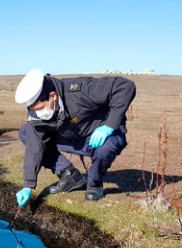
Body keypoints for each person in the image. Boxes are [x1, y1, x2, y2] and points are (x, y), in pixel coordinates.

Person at [13, 69, 136, 208]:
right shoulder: (36, 114)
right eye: (34, 109)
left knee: (106, 146)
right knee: (26, 132)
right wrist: (28, 185)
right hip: (71, 138)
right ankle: (69, 175)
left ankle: (95, 183)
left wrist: (109, 126)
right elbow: (35, 147)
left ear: (53, 96)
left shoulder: (80, 91)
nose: (38, 113)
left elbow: (125, 86)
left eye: (41, 108)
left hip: (100, 135)